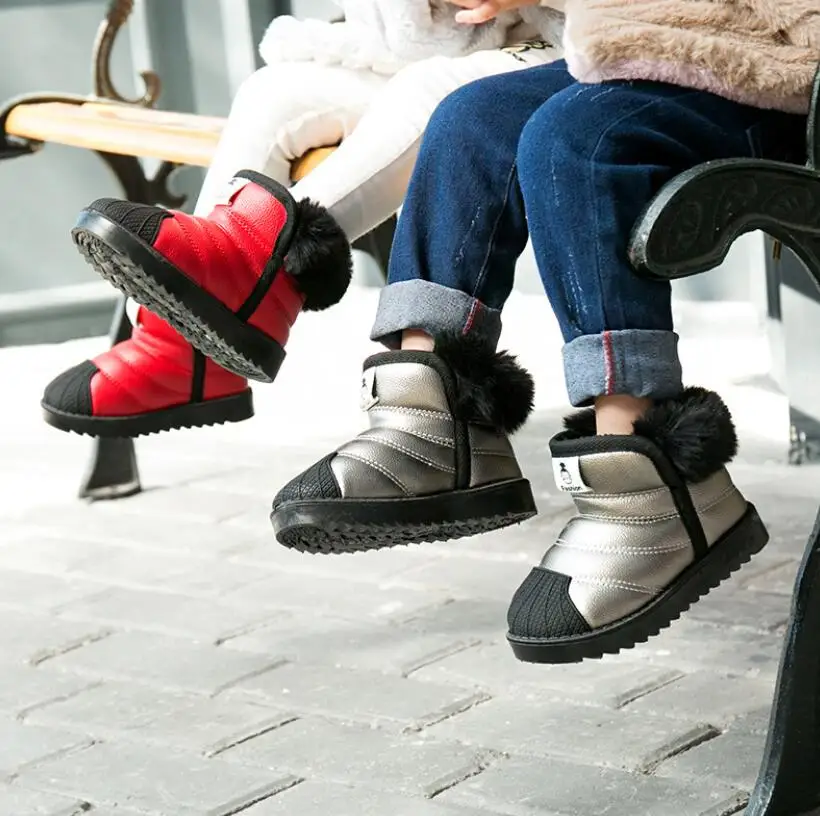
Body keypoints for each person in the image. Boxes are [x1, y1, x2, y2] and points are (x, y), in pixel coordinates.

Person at [44, 0, 817, 665]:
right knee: (469, 120)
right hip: (626, 30)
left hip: (752, 39)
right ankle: (430, 412)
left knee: (573, 143)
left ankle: (654, 480)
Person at [40, 0, 562, 437]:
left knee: (431, 92)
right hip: (462, 42)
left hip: (579, 42)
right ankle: (185, 348)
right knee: (275, 90)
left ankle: (240, 272)